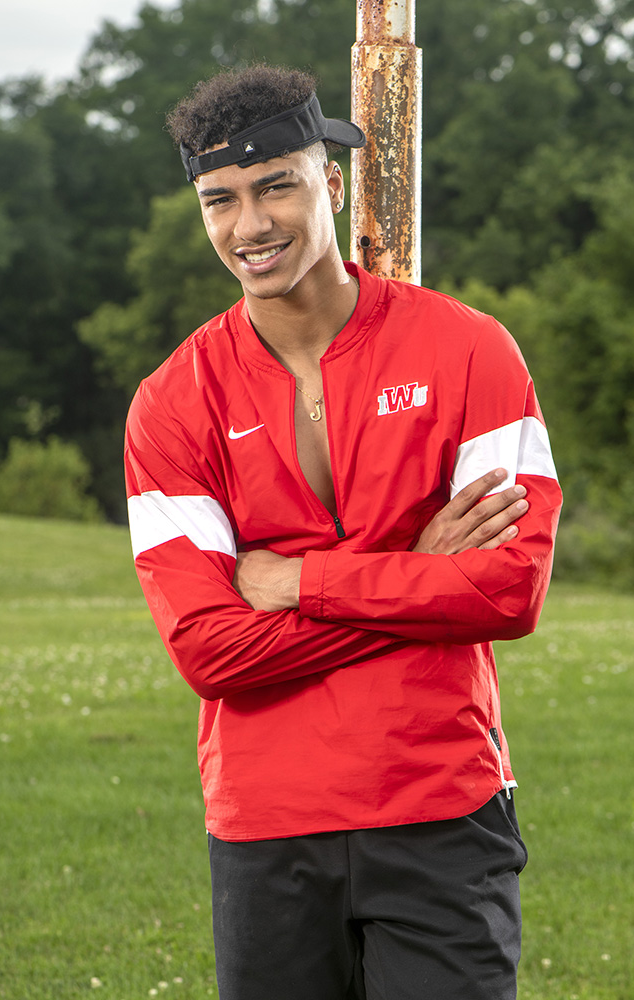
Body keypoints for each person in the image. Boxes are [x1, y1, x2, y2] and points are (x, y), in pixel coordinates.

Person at [124, 64, 562, 1000]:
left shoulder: (469, 348)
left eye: (276, 183)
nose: (251, 225)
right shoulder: (169, 405)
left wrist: (301, 581)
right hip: (265, 822)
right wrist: (413, 572)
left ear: (331, 176)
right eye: (220, 199)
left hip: (441, 804)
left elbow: (508, 589)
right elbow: (208, 650)